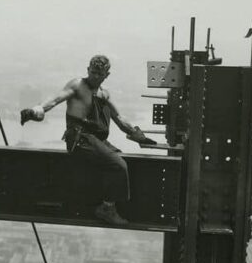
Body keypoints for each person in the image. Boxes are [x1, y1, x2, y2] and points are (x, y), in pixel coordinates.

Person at [20, 55, 155, 226]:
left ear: (107, 74)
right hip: (80, 138)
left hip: (96, 140)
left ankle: (103, 198)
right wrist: (35, 111)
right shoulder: (77, 85)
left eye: (100, 74)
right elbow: (55, 100)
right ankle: (107, 208)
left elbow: (119, 118)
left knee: (122, 159)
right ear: (88, 70)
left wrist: (137, 135)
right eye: (93, 72)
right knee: (119, 165)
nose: (96, 76)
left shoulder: (104, 95)